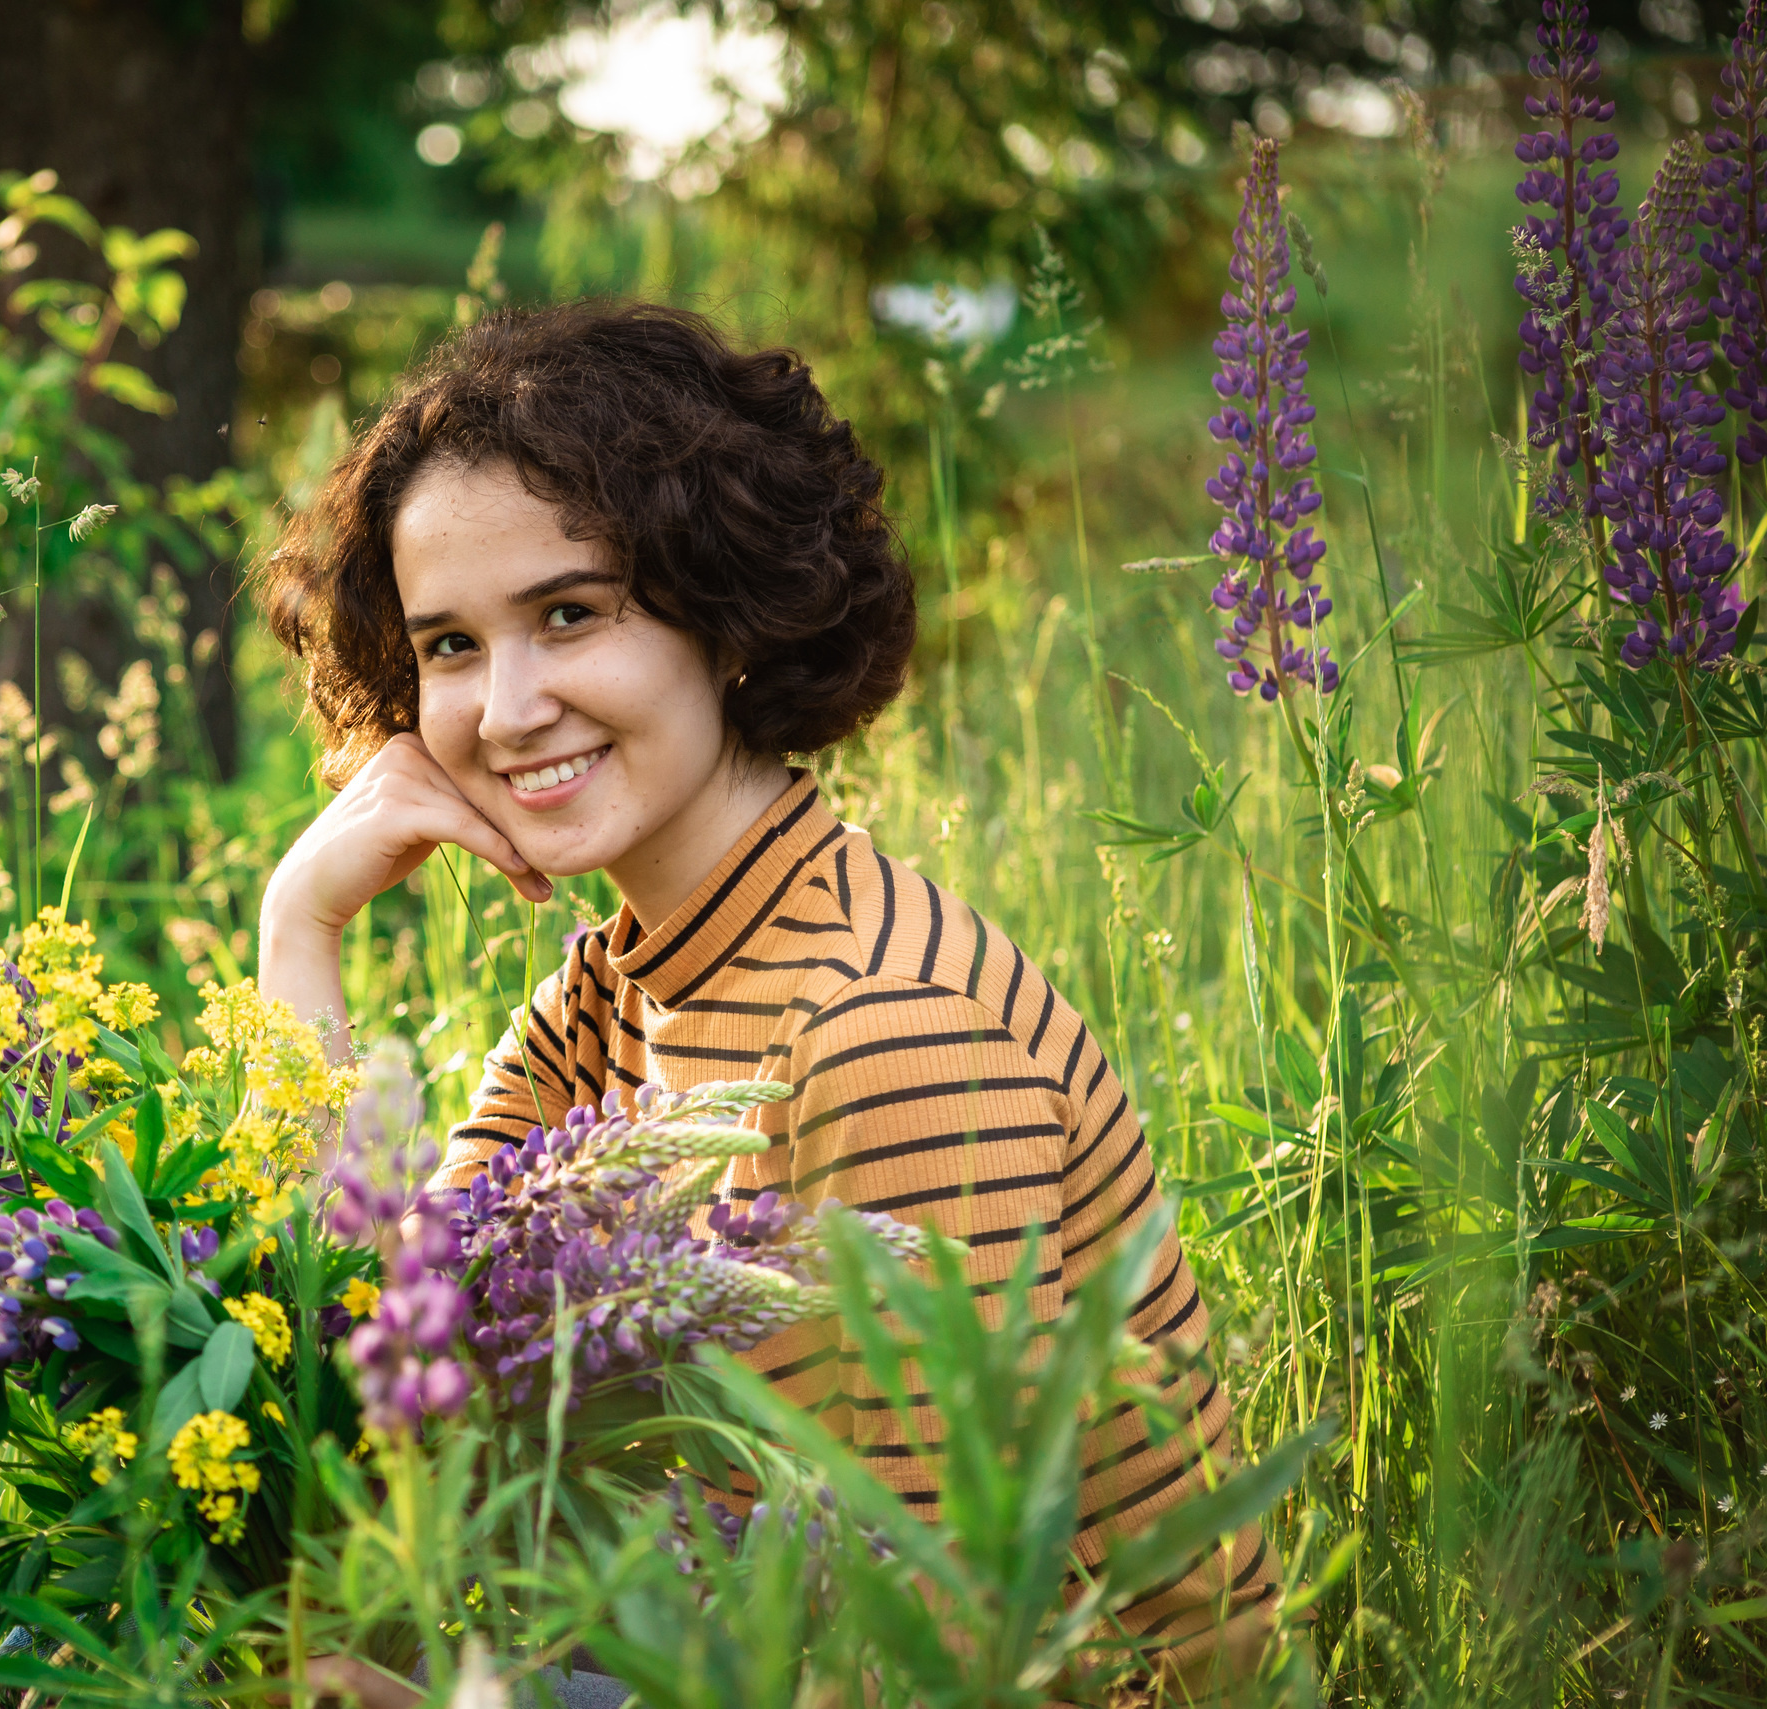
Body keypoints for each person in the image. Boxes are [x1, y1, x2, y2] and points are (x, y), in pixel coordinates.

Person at [253, 301, 1273, 1686]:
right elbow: (369, 1370)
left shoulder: (885, 1025)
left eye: (569, 614)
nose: (504, 709)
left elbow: (929, 1650)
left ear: (722, 613)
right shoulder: (611, 996)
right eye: (450, 646)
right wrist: (300, 928)